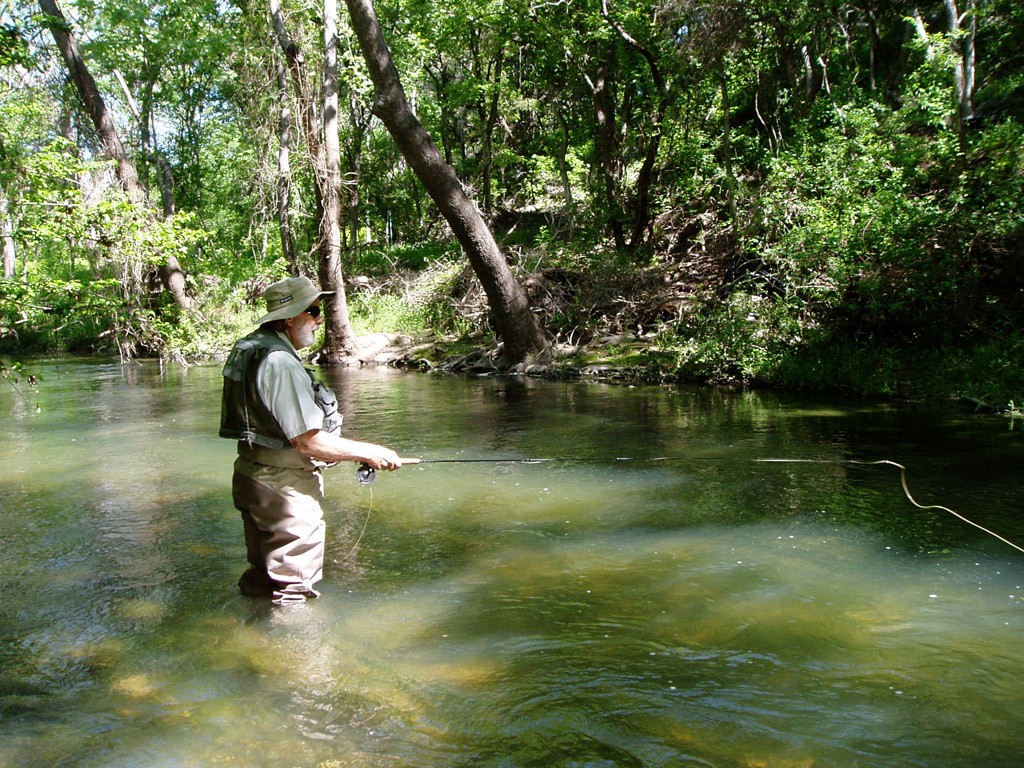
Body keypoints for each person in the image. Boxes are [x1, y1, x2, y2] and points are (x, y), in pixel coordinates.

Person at [220, 276, 403, 604]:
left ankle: (252, 638)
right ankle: (299, 653)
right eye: (313, 311)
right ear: (289, 318)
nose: (320, 320)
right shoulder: (280, 363)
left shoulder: (250, 347)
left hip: (251, 475)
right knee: (293, 590)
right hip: (283, 487)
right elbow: (308, 442)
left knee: (263, 577)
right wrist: (370, 451)